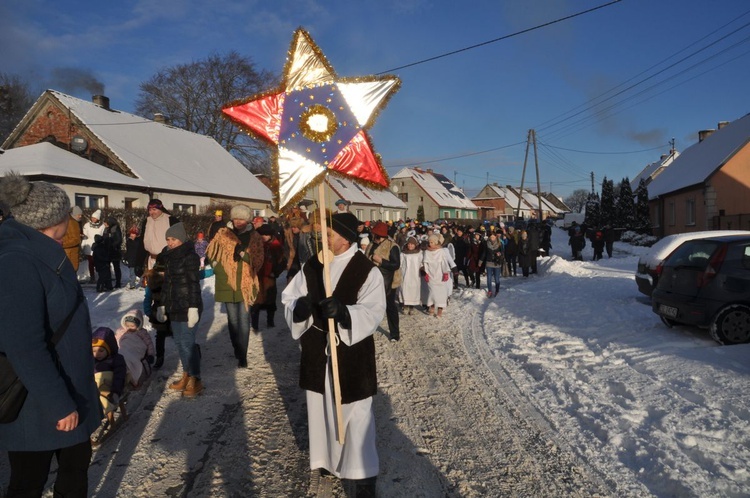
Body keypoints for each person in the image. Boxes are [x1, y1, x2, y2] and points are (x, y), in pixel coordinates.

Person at [0, 172, 101, 497]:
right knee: (28, 483)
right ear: (51, 221)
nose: (71, 222)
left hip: (67, 389)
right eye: (66, 216)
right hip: (40, 401)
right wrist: (59, 404)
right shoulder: (17, 261)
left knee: (74, 473)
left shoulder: (39, 250)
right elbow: (24, 345)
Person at [281, 212, 386, 496]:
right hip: (317, 351)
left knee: (357, 414)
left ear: (346, 237)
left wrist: (344, 312)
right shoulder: (314, 264)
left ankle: (363, 476)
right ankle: (326, 461)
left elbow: (375, 310)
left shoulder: (366, 269)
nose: (322, 238)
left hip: (352, 353)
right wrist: (299, 310)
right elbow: (290, 296)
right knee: (321, 409)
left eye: (328, 233)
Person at [205, 204, 264, 368]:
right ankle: (237, 349)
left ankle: (243, 355)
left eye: (242, 219)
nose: (239, 221)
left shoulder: (255, 237)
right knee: (233, 321)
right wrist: (217, 266)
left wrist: (244, 255)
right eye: (236, 218)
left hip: (246, 284)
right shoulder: (223, 233)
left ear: (248, 220)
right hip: (227, 282)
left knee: (244, 321)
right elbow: (211, 253)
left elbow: (258, 261)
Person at [156, 222, 204, 398]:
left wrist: (193, 307)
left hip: (188, 305)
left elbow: (193, 284)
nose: (170, 242)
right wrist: (162, 304)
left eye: (173, 239)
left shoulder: (189, 257)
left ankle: (196, 379)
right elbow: (167, 284)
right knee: (179, 342)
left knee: (188, 343)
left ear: (182, 239)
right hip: (174, 305)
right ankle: (186, 375)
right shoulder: (169, 257)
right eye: (168, 239)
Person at [363, 221, 401, 342]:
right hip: (372, 281)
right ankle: (367, 330)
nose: (372, 236)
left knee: (390, 307)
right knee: (369, 305)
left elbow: (396, 264)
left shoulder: (392, 246)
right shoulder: (371, 244)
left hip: (388, 281)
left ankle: (395, 334)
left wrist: (381, 261)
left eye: (374, 234)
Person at [250, 224, 285, 333]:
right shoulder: (256, 245)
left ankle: (270, 322)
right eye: (262, 234)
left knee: (270, 300)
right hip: (256, 277)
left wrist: (275, 273)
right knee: (255, 301)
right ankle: (255, 325)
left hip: (269, 278)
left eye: (266, 234)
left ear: (271, 235)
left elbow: (282, 261)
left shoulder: (276, 245)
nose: (264, 236)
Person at [92, 327, 127, 423]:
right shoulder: (91, 361)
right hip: (94, 387)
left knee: (102, 399)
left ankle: (101, 412)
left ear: (109, 349)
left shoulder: (116, 360)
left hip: (108, 388)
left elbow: (119, 377)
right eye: (93, 351)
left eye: (101, 351)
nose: (97, 354)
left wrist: (115, 392)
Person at [114, 309, 155, 388]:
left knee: (133, 362)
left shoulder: (142, 333)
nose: (130, 328)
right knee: (122, 358)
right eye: (127, 326)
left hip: (136, 350)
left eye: (132, 326)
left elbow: (149, 344)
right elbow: (116, 342)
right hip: (125, 349)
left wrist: (151, 354)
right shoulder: (121, 331)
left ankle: (134, 378)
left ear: (138, 324)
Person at [142, 262, 172, 369]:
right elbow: (148, 298)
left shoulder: (172, 281)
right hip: (158, 312)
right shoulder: (152, 282)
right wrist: (148, 311)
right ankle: (160, 357)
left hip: (173, 312)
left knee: (178, 334)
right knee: (160, 336)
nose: (162, 273)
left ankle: (191, 352)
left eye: (164, 271)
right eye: (160, 271)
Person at [139, 198, 179, 271]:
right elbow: (142, 241)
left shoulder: (171, 220)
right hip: (151, 260)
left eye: (154, 209)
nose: (152, 212)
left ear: (160, 209)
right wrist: (139, 262)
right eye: (150, 210)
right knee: (151, 281)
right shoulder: (147, 221)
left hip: (167, 260)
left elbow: (179, 241)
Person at [422, 233, 452, 317]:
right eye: (429, 242)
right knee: (432, 291)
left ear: (436, 242)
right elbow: (425, 263)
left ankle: (440, 309)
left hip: (440, 274)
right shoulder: (427, 252)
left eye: (432, 242)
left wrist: (445, 272)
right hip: (431, 274)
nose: (430, 244)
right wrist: (426, 273)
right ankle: (432, 306)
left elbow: (444, 263)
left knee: (441, 292)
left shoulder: (441, 251)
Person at [284, 216, 313, 282]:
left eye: (295, 227)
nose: (293, 229)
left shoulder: (305, 236)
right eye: (292, 227)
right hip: (294, 262)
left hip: (303, 262)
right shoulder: (291, 237)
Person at [399, 236, 422, 314]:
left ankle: (412, 306)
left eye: (412, 244)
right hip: (405, 274)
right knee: (405, 289)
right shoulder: (403, 253)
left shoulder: (419, 253)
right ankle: (405, 305)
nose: (410, 246)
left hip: (415, 275)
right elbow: (400, 263)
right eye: (409, 244)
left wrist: (422, 269)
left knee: (413, 290)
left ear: (415, 245)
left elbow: (421, 262)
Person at [82, 209, 105, 283]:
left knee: (98, 262)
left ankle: (100, 276)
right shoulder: (87, 225)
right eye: (92, 217)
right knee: (90, 262)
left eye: (95, 218)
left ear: (98, 218)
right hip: (89, 245)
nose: (93, 219)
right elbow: (85, 235)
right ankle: (92, 277)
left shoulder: (102, 226)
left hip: (98, 245)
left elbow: (102, 235)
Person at [103, 216, 123, 288]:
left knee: (116, 267)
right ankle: (108, 283)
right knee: (107, 267)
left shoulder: (116, 228)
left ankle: (118, 283)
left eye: (106, 223)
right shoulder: (106, 229)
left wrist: (112, 245)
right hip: (107, 251)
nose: (105, 225)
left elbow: (119, 240)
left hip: (114, 251)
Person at [62, 205, 83, 272]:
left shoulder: (67, 220)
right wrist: (62, 244)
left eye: (81, 215)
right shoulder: (73, 222)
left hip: (66, 250)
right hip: (71, 251)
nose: (80, 216)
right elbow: (76, 239)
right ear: (74, 214)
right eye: (79, 215)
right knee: (72, 270)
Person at [483, 232, 505, 298]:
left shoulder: (499, 243)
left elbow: (503, 253)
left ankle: (497, 290)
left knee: (496, 278)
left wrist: (500, 254)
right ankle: (490, 290)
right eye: (491, 237)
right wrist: (480, 261)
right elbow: (484, 253)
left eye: (493, 237)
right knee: (489, 278)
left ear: (496, 237)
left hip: (497, 263)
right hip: (489, 263)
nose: (492, 238)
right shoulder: (486, 244)